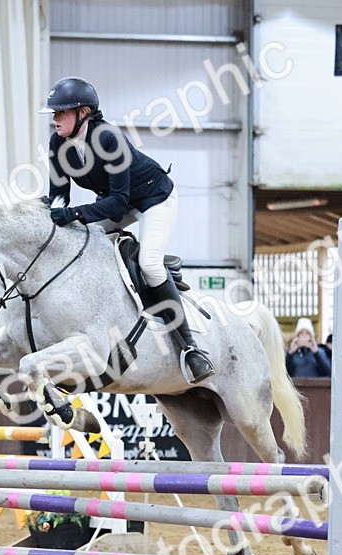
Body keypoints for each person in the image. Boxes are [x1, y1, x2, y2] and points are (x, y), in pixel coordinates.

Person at [40, 76, 214, 385]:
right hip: (115, 202)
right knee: (78, 244)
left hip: (153, 198)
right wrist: (52, 216)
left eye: (61, 113)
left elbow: (118, 205)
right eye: (53, 114)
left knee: (149, 263)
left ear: (83, 113)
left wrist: (74, 214)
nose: (55, 119)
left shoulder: (109, 139)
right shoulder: (57, 143)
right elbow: (59, 196)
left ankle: (190, 348)